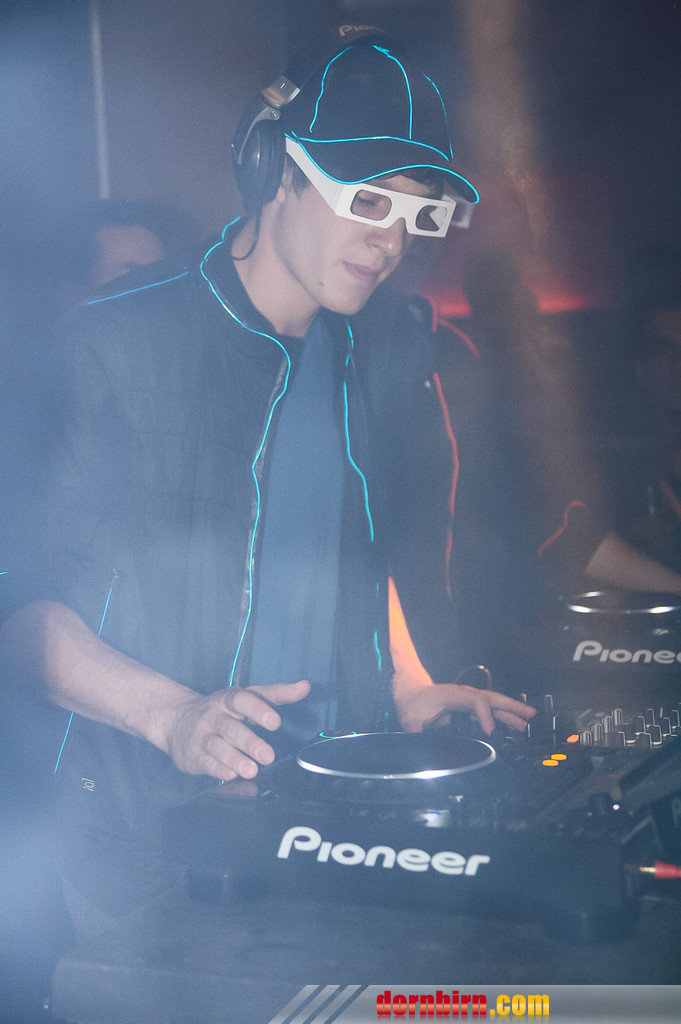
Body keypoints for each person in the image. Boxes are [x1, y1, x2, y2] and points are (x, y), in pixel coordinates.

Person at [0, 26, 534, 939]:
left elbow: (352, 546)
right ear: (276, 171)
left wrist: (408, 684)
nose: (388, 241)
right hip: (142, 836)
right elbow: (18, 605)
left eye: (414, 214)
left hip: (322, 808)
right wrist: (173, 717)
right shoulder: (114, 340)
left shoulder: (366, 344)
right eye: (365, 199)